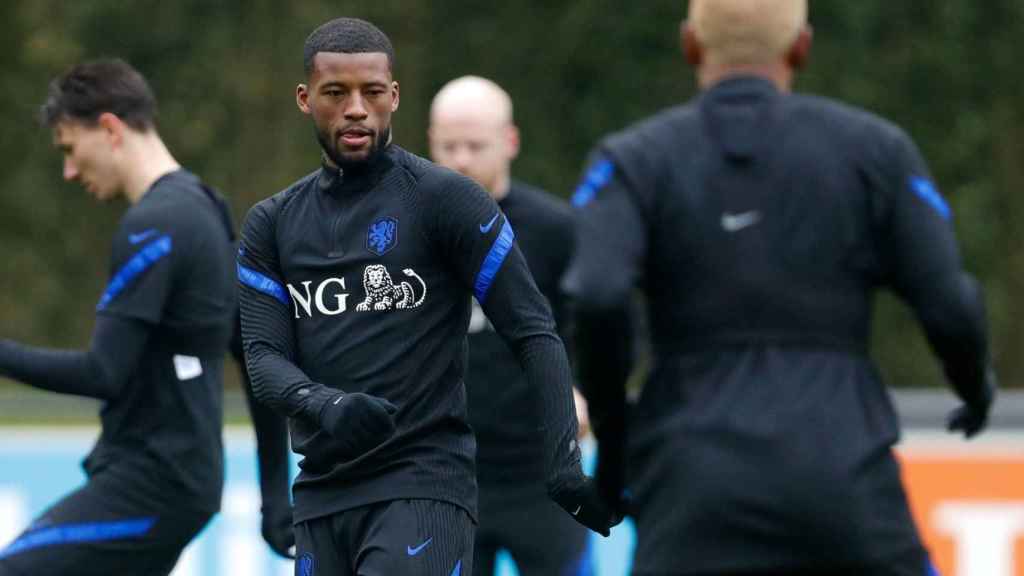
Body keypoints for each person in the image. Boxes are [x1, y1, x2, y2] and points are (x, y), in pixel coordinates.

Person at [564, 1, 996, 575]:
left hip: (693, 482)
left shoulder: (635, 160)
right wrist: (973, 386)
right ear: (802, 47)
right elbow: (951, 303)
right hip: (842, 474)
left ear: (691, 44)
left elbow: (596, 295)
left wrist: (615, 455)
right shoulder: (875, 151)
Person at [237, 17, 617, 576]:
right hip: (322, 491)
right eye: (335, 93)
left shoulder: (447, 202)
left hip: (424, 483)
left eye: (371, 92)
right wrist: (327, 405)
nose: (356, 109)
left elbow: (534, 330)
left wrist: (564, 462)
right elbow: (262, 360)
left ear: (394, 95)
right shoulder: (271, 223)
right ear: (304, 98)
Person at [0, 58, 293, 575]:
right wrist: (274, 498)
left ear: (110, 128)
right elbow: (255, 357)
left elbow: (102, 372)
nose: (69, 171)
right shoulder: (207, 208)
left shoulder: (154, 224)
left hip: (153, 485)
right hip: (180, 483)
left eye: (70, 149)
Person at [428, 75, 593, 576]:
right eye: (447, 144)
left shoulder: (556, 229)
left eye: (474, 145)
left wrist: (584, 390)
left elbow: (594, 324)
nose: (460, 158)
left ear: (510, 141)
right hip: (443, 478)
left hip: (540, 475)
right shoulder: (407, 233)